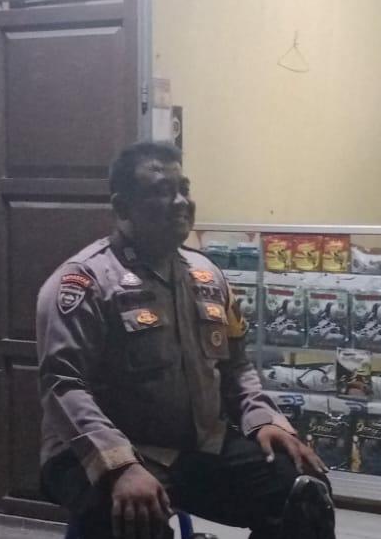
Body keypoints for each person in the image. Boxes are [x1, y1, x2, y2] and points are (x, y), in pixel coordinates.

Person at [36, 142, 335, 539]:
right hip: (100, 449)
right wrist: (120, 465)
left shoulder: (206, 275)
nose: (180, 202)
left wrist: (264, 419)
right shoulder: (85, 281)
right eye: (161, 191)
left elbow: (236, 366)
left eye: (184, 189)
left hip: (198, 447)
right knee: (132, 517)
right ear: (123, 208)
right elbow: (63, 386)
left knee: (304, 489)